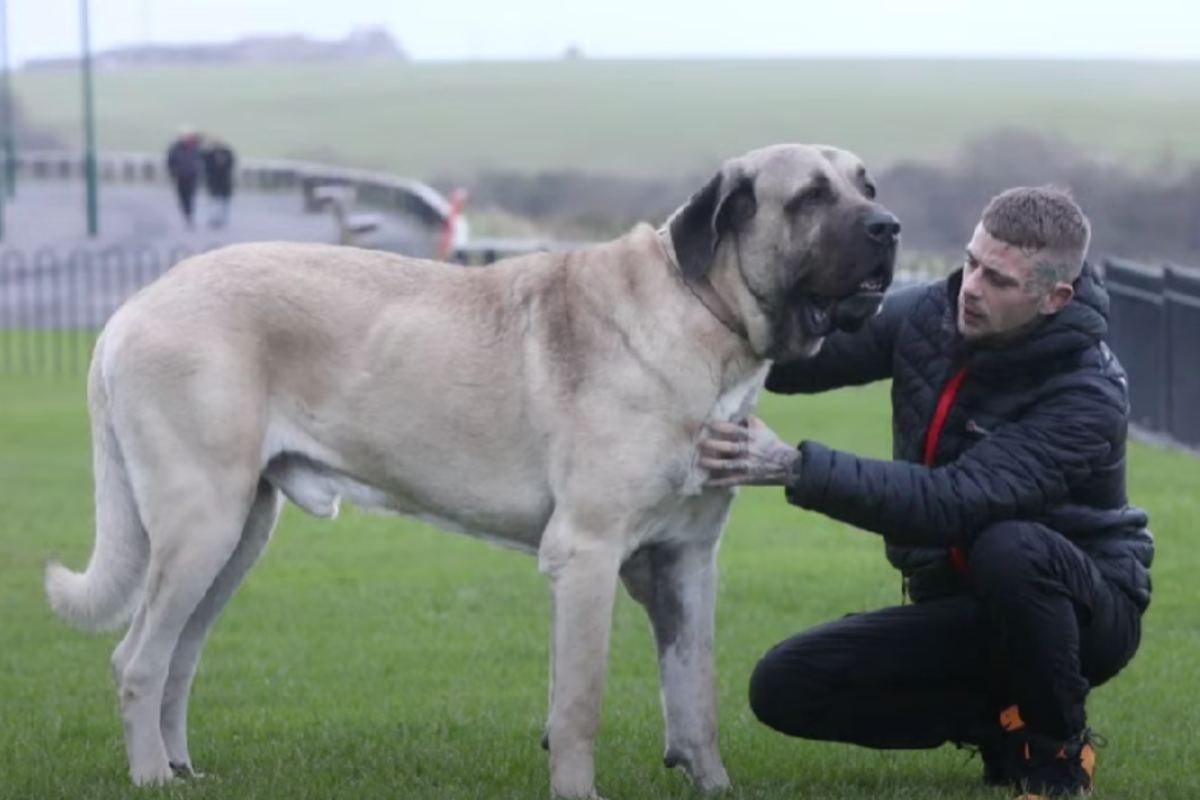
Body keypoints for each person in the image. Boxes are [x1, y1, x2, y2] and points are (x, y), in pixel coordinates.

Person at [699, 186, 1152, 799]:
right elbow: (808, 359)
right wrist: (710, 321)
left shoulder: (1087, 393)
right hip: (962, 606)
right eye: (972, 261)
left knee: (1010, 548)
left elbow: (951, 502)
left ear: (1055, 297)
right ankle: (999, 727)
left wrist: (792, 467)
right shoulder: (935, 314)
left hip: (1082, 611)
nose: (971, 285)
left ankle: (1057, 756)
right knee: (784, 687)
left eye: (999, 279)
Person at [165, 127, 203, 229]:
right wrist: (172, 173)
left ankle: (189, 216)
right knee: (182, 197)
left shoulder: (195, 146)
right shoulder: (176, 147)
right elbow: (170, 161)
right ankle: (187, 215)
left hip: (192, 175)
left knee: (190, 197)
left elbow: (202, 157)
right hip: (180, 176)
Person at [201, 137, 237, 230]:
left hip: (224, 182)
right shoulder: (209, 154)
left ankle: (221, 219)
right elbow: (203, 161)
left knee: (223, 202)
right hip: (214, 182)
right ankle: (214, 219)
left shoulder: (227, 153)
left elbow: (231, 164)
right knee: (214, 202)